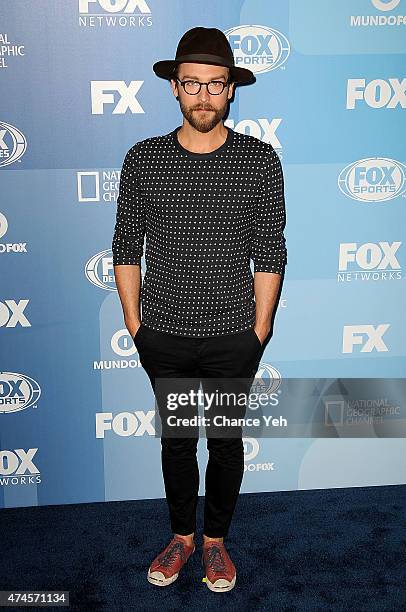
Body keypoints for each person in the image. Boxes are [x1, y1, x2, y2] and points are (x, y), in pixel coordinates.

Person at [112, 26, 287, 593]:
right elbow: (126, 247)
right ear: (174, 88)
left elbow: (270, 248)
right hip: (164, 332)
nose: (204, 97)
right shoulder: (144, 159)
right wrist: (136, 326)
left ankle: (214, 542)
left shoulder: (259, 161)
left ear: (232, 89)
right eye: (193, 84)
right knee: (178, 442)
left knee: (227, 442)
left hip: (234, 334)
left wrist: (258, 330)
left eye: (216, 85)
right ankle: (181, 536)